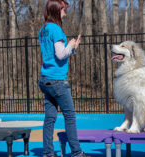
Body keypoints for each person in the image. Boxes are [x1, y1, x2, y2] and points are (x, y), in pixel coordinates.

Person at [38, 0, 90, 157]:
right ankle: (77, 152)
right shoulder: (56, 30)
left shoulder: (43, 29)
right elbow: (61, 54)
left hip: (45, 79)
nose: (65, 13)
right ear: (56, 10)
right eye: (63, 10)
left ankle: (48, 153)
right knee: (70, 115)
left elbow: (56, 56)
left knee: (50, 118)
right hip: (57, 80)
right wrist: (71, 45)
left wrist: (73, 49)